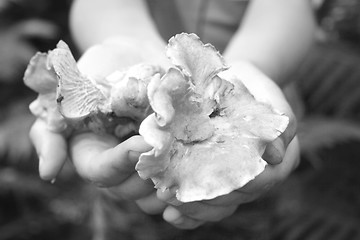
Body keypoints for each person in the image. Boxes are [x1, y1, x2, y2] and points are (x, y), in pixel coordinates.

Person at [29, 0, 317, 229]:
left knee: (267, 213)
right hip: (138, 144)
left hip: (249, 94)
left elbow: (288, 5)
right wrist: (124, 40)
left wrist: (251, 65)